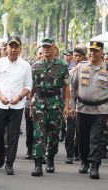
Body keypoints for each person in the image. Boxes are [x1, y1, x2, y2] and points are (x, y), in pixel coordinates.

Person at [70, 41, 108, 179]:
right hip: (82, 109)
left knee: (96, 139)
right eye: (91, 50)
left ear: (101, 52)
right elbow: (73, 86)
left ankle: (95, 166)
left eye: (96, 51)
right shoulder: (80, 66)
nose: (92, 53)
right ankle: (84, 162)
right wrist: (72, 105)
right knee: (82, 138)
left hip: (100, 110)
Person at [0, 36, 32, 175]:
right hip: (0, 104)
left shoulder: (25, 65)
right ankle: (1, 153)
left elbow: (28, 86)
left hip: (17, 106)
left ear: (20, 49)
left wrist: (19, 97)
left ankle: (9, 163)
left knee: (13, 135)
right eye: (11, 46)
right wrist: (1, 97)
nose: (13, 49)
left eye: (16, 47)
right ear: (6, 48)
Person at [31, 37, 70, 177]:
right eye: (44, 47)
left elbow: (66, 87)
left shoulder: (62, 65)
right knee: (39, 134)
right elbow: (33, 86)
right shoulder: (36, 66)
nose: (46, 49)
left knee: (53, 135)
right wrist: (30, 101)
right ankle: (37, 164)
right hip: (39, 102)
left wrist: (66, 105)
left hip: (55, 103)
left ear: (54, 48)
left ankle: (51, 159)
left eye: (49, 47)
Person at [65, 47, 86, 164]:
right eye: (75, 55)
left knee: (81, 130)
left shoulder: (87, 68)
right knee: (70, 130)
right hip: (70, 103)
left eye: (79, 56)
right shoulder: (68, 69)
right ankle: (70, 154)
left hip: (83, 105)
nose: (76, 58)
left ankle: (78, 153)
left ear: (84, 57)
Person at [24, 46, 43, 160]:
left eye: (42, 53)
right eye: (39, 53)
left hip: (44, 103)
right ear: (36, 55)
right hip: (30, 102)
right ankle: (29, 149)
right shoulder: (30, 68)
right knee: (30, 128)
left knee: (42, 129)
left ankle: (41, 151)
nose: (41, 55)